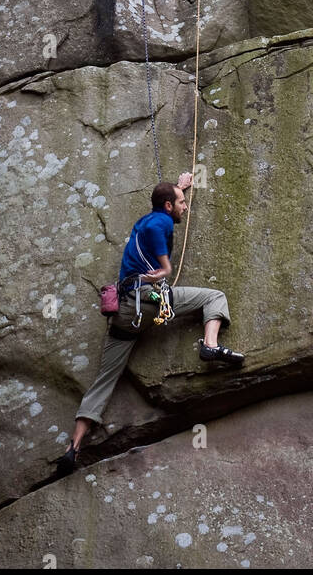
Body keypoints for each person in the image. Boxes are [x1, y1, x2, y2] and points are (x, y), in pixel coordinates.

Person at [53, 172, 245, 478]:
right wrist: (162, 270)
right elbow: (164, 246)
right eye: (182, 202)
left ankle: (72, 448)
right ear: (168, 206)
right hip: (147, 301)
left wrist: (180, 187)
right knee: (214, 297)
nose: (186, 207)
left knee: (104, 381)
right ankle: (209, 346)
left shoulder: (147, 221)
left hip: (124, 314)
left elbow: (162, 212)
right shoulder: (162, 223)